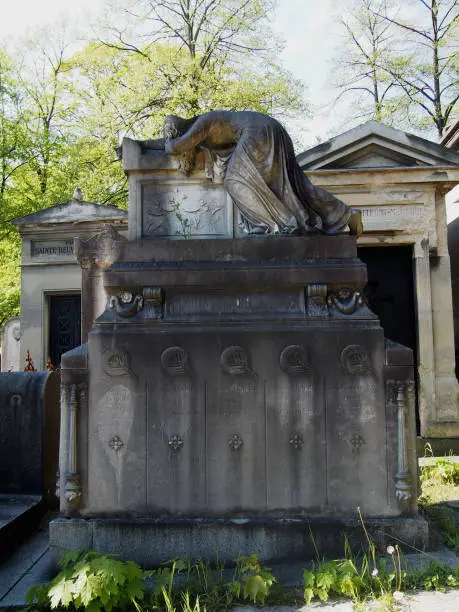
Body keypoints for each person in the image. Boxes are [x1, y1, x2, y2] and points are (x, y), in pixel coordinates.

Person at [160, 111, 362, 236]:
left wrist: (156, 144)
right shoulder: (203, 125)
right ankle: (345, 214)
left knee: (234, 181)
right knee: (293, 187)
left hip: (257, 131)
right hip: (270, 127)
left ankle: (281, 224)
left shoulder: (202, 123)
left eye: (171, 132)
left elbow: (175, 147)